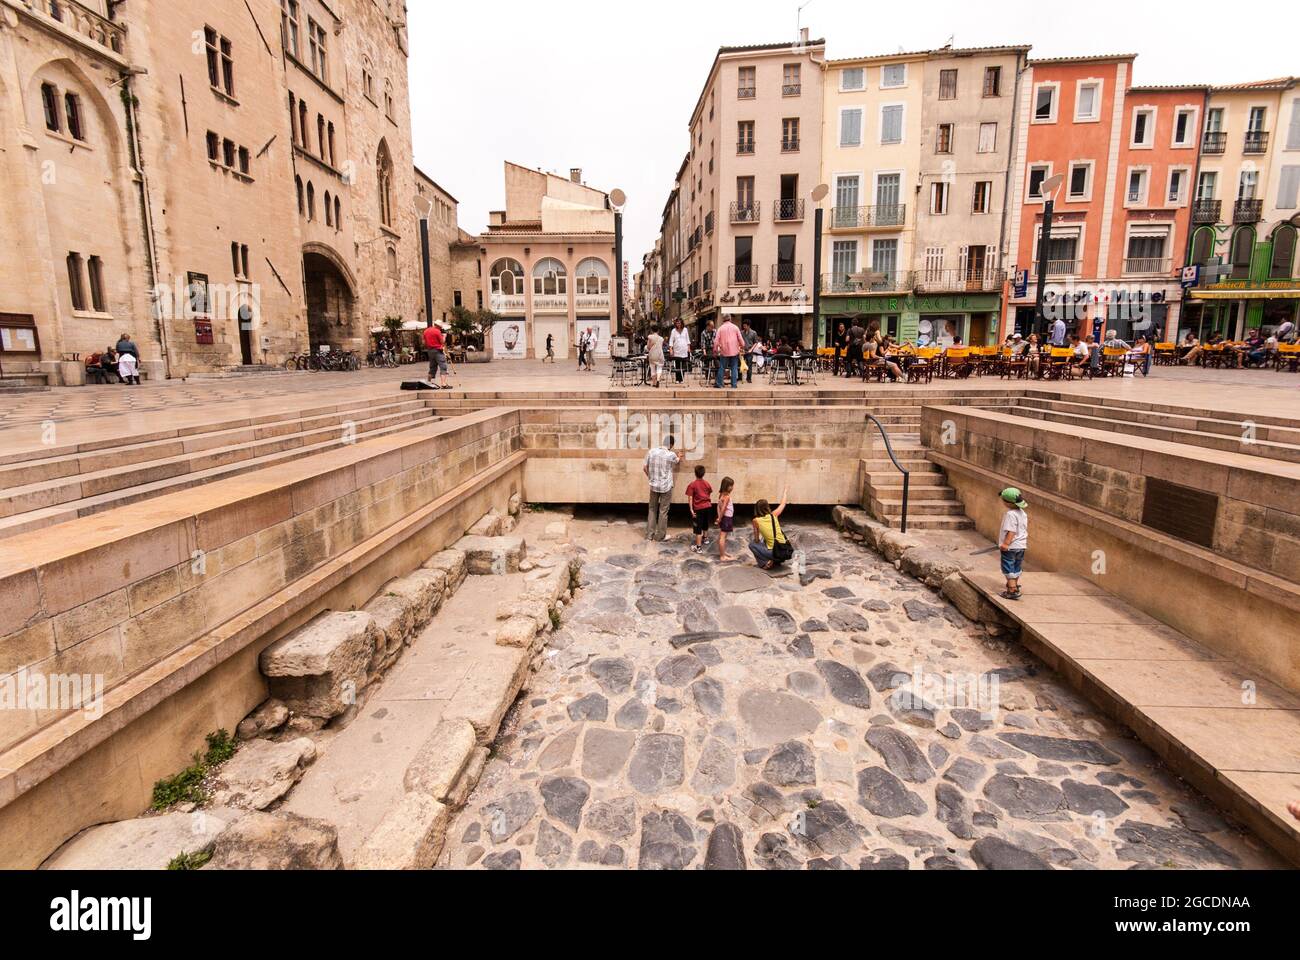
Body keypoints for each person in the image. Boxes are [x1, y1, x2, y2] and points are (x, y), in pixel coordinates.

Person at [643, 435, 679, 542]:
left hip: (653, 486)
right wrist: (680, 456)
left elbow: (645, 467)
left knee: (652, 509)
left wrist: (651, 477)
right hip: (665, 487)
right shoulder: (671, 454)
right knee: (663, 511)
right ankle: (660, 536)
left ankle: (649, 535)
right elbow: (677, 461)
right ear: (671, 445)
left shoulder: (652, 451)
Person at [998, 487, 1029, 601]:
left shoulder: (1010, 514)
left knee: (1008, 567)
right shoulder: (1022, 513)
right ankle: (1014, 585)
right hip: (1021, 546)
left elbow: (1012, 531)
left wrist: (1006, 544)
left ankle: (1012, 590)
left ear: (1008, 503)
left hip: (1011, 547)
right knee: (1016, 566)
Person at [750, 485, 791, 570]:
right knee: (766, 539)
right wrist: (785, 491)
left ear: (757, 509)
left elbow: (756, 540)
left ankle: (764, 563)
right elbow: (783, 504)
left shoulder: (755, 521)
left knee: (752, 545)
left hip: (775, 553)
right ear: (767, 507)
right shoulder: (774, 515)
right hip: (784, 551)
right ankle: (775, 561)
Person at [686, 465, 714, 554]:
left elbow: (690, 498)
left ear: (695, 473)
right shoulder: (707, 483)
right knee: (705, 523)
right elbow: (709, 492)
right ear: (704, 473)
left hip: (698, 508)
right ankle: (705, 539)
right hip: (708, 506)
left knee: (698, 528)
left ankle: (698, 547)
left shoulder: (692, 485)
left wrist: (691, 509)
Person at [714, 316, 743, 389]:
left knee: (722, 367)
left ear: (723, 320)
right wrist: (742, 345)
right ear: (730, 319)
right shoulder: (735, 327)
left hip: (724, 351)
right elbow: (740, 339)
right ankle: (734, 385)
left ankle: (720, 384)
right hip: (734, 351)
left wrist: (715, 350)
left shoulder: (720, 328)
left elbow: (716, 341)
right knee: (734, 367)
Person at [716, 476, 737, 562]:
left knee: (723, 536)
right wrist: (720, 518)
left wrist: (718, 517)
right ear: (725, 486)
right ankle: (722, 556)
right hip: (726, 518)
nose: (732, 487)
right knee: (722, 537)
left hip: (724, 517)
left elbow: (718, 506)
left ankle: (723, 552)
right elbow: (723, 508)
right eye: (730, 485)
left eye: (732, 485)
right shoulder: (727, 497)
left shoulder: (721, 495)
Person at [422, 322, 449, 389]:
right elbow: (442, 342)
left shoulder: (426, 331)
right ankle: (443, 384)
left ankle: (428, 382)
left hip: (430, 351)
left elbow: (423, 342)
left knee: (432, 367)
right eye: (440, 327)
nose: (441, 328)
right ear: (438, 326)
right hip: (438, 351)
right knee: (443, 366)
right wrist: (444, 337)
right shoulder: (437, 331)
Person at [668, 318, 691, 384]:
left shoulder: (685, 330)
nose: (678, 324)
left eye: (679, 323)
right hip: (677, 351)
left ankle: (681, 379)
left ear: (682, 323)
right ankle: (677, 379)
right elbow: (671, 341)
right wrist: (671, 349)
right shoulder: (673, 331)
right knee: (677, 365)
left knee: (683, 365)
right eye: (677, 323)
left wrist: (689, 348)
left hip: (684, 350)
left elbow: (687, 339)